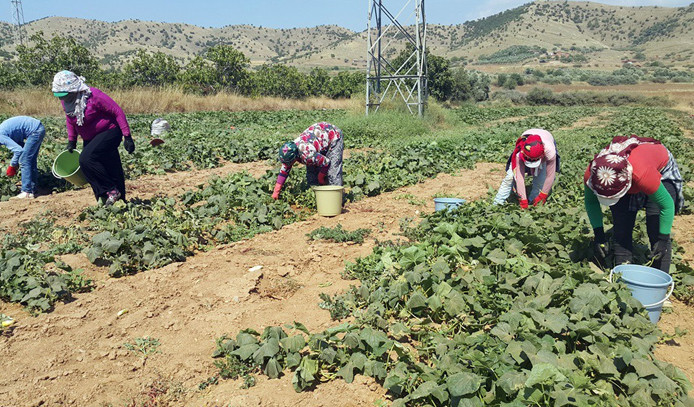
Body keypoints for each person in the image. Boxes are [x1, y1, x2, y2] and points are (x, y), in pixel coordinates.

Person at [584, 135, 684, 273]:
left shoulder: (642, 174)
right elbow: (591, 203)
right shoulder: (592, 174)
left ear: (626, 184)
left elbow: (666, 205)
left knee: (656, 226)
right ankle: (624, 279)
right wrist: (599, 235)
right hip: (625, 174)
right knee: (622, 229)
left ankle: (660, 281)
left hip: (660, 170)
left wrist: (663, 240)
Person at [51, 70, 135, 206]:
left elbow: (117, 111)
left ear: (74, 90)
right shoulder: (67, 102)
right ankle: (109, 201)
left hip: (110, 131)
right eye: (59, 95)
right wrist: (71, 140)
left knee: (86, 159)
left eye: (64, 95)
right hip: (90, 137)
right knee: (107, 166)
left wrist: (127, 136)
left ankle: (111, 190)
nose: (61, 98)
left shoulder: (93, 96)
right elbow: (70, 119)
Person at [272, 122, 343, 200]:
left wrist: (321, 177)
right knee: (311, 173)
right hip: (317, 141)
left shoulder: (308, 155)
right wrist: (276, 191)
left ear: (296, 157)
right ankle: (316, 196)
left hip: (333, 135)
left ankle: (338, 199)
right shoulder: (289, 151)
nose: (288, 165)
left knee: (333, 172)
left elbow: (326, 162)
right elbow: (284, 170)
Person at [493, 129, 559, 208]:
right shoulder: (519, 152)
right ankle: (497, 203)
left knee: (541, 179)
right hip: (527, 144)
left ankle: (534, 204)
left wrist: (543, 195)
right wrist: (523, 201)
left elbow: (550, 176)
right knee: (510, 177)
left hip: (546, 139)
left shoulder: (550, 151)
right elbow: (520, 177)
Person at [0, 116, 45, 199]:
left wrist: (12, 165)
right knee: (30, 160)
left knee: (24, 160)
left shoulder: (1, 136)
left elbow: (19, 150)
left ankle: (26, 192)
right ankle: (32, 189)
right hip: (38, 127)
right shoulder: (4, 132)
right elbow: (21, 145)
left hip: (34, 131)